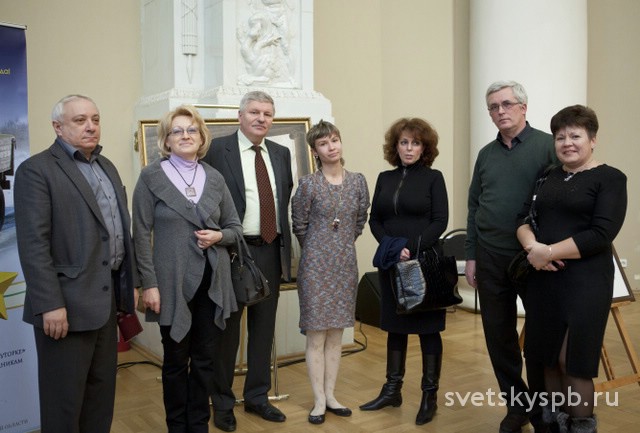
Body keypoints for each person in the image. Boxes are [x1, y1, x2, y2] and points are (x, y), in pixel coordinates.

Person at [14, 94, 138, 433]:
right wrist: (50, 304)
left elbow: (119, 232)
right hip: (64, 308)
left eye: (95, 119)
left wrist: (131, 284)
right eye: (80, 120)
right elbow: (34, 245)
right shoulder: (36, 170)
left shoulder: (106, 166)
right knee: (63, 404)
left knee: (100, 398)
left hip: (105, 303)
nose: (90, 126)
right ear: (58, 127)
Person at [516, 105, 627, 433]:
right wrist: (533, 249)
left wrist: (548, 251)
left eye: (575, 136)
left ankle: (580, 426)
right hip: (544, 279)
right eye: (560, 137)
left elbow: (601, 234)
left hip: (586, 282)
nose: (567, 143)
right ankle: (552, 427)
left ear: (592, 140)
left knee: (572, 362)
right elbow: (523, 218)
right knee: (547, 359)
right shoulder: (547, 175)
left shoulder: (610, 178)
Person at [132, 105, 242, 433]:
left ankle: (198, 426)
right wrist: (149, 284)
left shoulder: (215, 178)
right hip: (170, 284)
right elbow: (140, 234)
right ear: (166, 140)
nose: (185, 135)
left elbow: (235, 228)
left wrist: (219, 236)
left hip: (213, 282)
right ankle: (176, 427)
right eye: (177, 131)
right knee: (176, 361)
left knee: (206, 360)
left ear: (202, 137)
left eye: (191, 129)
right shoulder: (151, 177)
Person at [464, 80, 557, 433]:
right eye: (493, 107)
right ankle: (517, 406)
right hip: (489, 256)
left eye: (506, 104)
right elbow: (474, 206)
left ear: (523, 107)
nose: (500, 111)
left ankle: (544, 409)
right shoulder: (486, 154)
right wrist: (471, 255)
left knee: (539, 337)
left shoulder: (548, 146)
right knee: (498, 336)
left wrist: (549, 249)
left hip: (533, 258)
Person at [202, 90, 293, 432]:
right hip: (232, 252)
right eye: (254, 112)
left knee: (263, 329)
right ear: (240, 116)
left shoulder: (281, 153)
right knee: (227, 333)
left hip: (270, 249)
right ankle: (222, 402)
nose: (261, 118)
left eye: (267, 113)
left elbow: (283, 199)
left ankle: (257, 397)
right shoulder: (216, 150)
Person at [361, 117, 448, 425]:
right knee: (395, 326)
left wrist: (410, 247)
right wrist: (393, 248)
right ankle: (392, 390)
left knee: (428, 329)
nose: (409, 148)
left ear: (424, 148)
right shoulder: (385, 178)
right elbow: (375, 219)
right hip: (392, 262)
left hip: (423, 264)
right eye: (404, 142)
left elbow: (440, 221)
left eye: (415, 143)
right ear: (395, 146)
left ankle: (429, 396)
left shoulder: (434, 178)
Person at [291, 120, 370, 425]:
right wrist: (318, 248)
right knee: (316, 335)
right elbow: (299, 225)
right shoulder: (308, 185)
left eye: (334, 140)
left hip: (344, 265)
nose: (331, 147)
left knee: (336, 334)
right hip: (314, 267)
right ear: (315, 151)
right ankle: (318, 401)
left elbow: (360, 221)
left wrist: (340, 245)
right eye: (323, 143)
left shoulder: (358, 182)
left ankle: (332, 396)